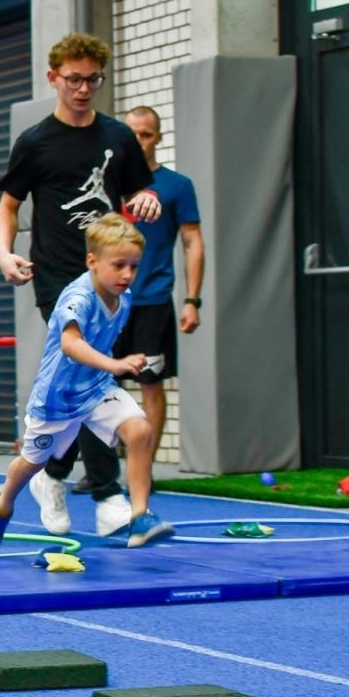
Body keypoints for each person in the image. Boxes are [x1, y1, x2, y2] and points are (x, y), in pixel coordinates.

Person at [0, 31, 161, 538]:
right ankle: (108, 492)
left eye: (93, 80)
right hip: (59, 277)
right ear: (54, 79)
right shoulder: (36, 143)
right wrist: (5, 253)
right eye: (74, 80)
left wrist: (146, 199)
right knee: (90, 374)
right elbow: (8, 206)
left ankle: (55, 473)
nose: (84, 89)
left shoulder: (117, 136)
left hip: (109, 275)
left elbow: (137, 189)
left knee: (83, 384)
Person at [0, 214, 173, 550]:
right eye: (119, 265)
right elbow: (71, 344)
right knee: (31, 463)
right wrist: (117, 364)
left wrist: (123, 363)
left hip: (96, 389)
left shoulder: (123, 298)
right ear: (92, 262)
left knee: (139, 430)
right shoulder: (78, 297)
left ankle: (140, 516)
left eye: (134, 266)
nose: (127, 274)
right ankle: (2, 502)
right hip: (58, 398)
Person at [114, 105, 205, 456]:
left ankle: (144, 466)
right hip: (108, 304)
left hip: (152, 300)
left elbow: (192, 241)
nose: (139, 142)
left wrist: (192, 300)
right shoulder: (107, 185)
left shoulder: (176, 186)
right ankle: (101, 468)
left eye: (146, 134)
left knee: (150, 383)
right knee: (100, 384)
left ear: (159, 138)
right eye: (132, 134)